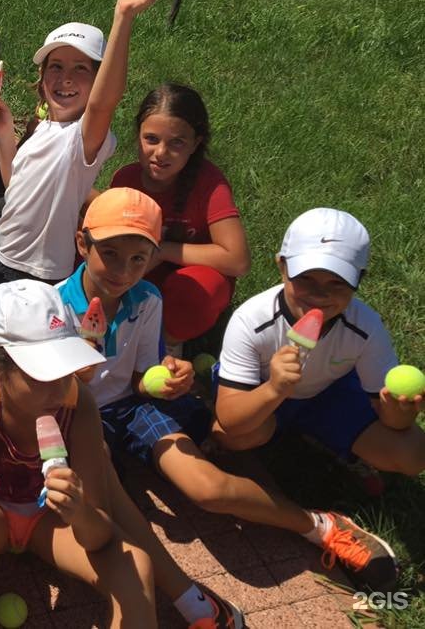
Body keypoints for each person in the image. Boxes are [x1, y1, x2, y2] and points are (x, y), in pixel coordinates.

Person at [58, 190, 399, 593]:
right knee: (104, 506)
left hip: (131, 409)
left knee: (207, 488)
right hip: (74, 413)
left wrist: (168, 377)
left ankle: (321, 526)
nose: (123, 271)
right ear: (83, 243)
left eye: (139, 259)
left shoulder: (147, 298)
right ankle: (166, 594)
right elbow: (43, 394)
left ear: (153, 258)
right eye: (110, 253)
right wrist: (72, 376)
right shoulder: (54, 307)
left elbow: (141, 378)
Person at [0, 280, 157, 628]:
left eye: (65, 369)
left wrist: (79, 511)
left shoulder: (78, 404)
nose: (60, 388)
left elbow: (99, 533)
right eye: (43, 374)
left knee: (136, 564)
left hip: (51, 523)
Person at [214, 209, 423, 575]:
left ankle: (328, 442)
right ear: (282, 267)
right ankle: (301, 443)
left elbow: (387, 412)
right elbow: (230, 419)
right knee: (233, 437)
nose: (319, 296)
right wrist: (274, 388)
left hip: (327, 394)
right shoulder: (252, 320)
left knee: (411, 455)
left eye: (337, 284)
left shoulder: (366, 326)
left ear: (360, 280)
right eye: (307, 278)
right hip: (260, 394)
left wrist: (401, 413)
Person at [0, 0, 180, 290]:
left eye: (81, 69)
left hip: (35, 274)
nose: (66, 78)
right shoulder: (45, 128)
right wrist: (4, 135)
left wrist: (124, 16)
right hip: (3, 251)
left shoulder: (83, 138)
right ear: (42, 77)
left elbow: (104, 103)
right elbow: (16, 184)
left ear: (99, 78)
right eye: (56, 66)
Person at [110, 83, 250, 351]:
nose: (161, 153)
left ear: (195, 144)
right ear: (137, 135)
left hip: (190, 286)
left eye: (177, 142)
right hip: (140, 276)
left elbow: (237, 259)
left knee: (199, 287)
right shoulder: (125, 180)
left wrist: (164, 251)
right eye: (151, 139)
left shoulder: (209, 185)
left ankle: (168, 345)